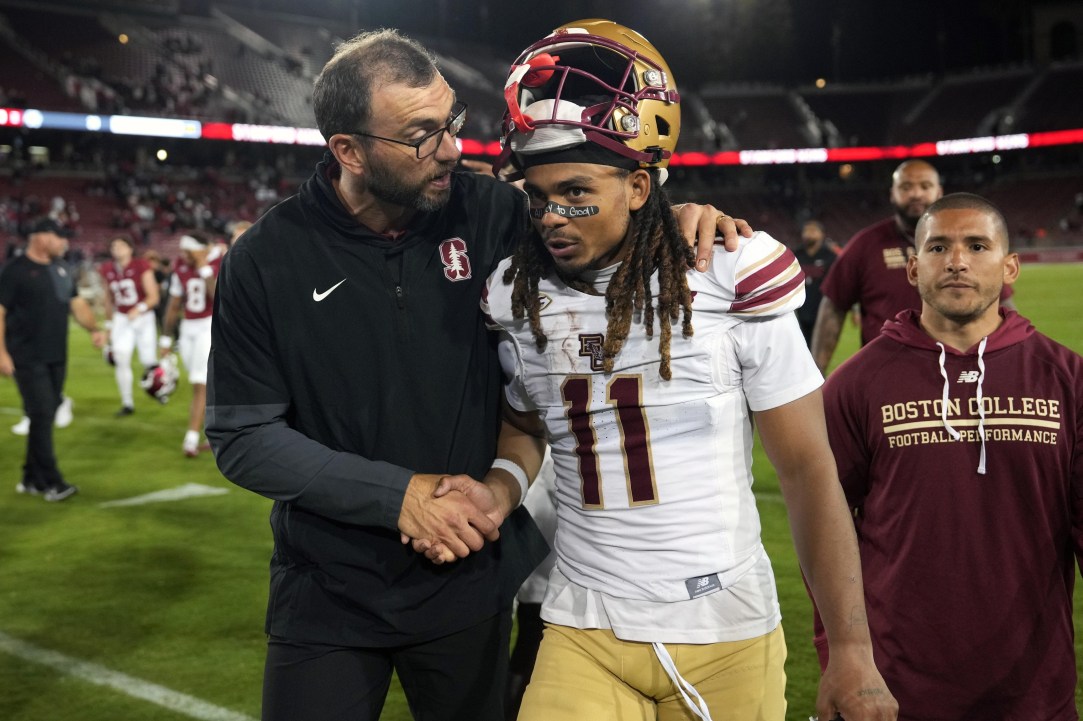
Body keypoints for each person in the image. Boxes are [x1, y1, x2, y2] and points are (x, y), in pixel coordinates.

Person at [205, 27, 746, 721]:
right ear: (347, 150)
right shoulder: (265, 258)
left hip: (469, 580)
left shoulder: (493, 212)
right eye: (421, 135)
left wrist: (673, 215)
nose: (452, 149)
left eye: (451, 120)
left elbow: (599, 223)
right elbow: (244, 435)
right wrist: (399, 496)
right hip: (325, 593)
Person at [447, 20, 896, 721]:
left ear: (636, 185)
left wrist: (851, 646)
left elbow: (809, 469)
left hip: (724, 628)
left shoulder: (728, 275)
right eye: (536, 195)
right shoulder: (515, 294)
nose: (550, 216)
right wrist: (502, 488)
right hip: (581, 621)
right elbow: (524, 422)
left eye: (574, 190)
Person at [816, 192, 1082, 720]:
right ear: (913, 269)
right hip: (896, 692)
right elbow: (821, 528)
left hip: (1035, 693)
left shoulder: (1067, 379)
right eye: (939, 247)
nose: (956, 260)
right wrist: (841, 655)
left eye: (976, 245)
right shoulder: (855, 385)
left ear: (1010, 267)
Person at [0, 218, 106, 501]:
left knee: (41, 417)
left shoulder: (61, 268)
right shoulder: (14, 270)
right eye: (59, 237)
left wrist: (94, 328)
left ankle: (30, 477)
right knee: (44, 412)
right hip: (26, 355)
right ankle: (52, 482)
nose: (64, 242)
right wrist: (1, 352)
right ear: (41, 237)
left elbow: (77, 303)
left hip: (56, 355)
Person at [810, 160, 944, 372]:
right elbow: (833, 305)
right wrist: (816, 373)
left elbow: (1000, 301)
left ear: (939, 192)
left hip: (951, 374)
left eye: (925, 186)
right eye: (906, 187)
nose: (916, 194)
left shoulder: (962, 242)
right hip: (883, 374)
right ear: (893, 193)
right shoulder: (865, 244)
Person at [162, 231, 220, 457]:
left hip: (208, 325)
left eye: (189, 251)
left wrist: (204, 267)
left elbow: (218, 297)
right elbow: (174, 304)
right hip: (188, 328)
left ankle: (191, 438)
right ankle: (217, 425)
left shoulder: (218, 261)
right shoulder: (180, 266)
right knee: (199, 381)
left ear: (202, 249)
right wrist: (166, 338)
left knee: (199, 383)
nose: (184, 255)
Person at [100, 234, 160, 416]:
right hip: (122, 317)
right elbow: (108, 299)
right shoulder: (107, 269)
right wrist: (109, 324)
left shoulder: (141, 265)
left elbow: (154, 296)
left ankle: (159, 387)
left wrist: (139, 308)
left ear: (130, 248)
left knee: (148, 360)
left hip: (143, 317)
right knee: (121, 358)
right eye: (114, 246)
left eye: (121, 245)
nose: (116, 249)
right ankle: (127, 403)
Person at [793, 219, 839, 346]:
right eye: (806, 230)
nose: (808, 234)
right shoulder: (796, 255)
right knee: (801, 346)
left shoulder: (830, 256)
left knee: (818, 347)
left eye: (813, 230)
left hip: (823, 308)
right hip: (799, 307)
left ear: (822, 234)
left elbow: (838, 283)